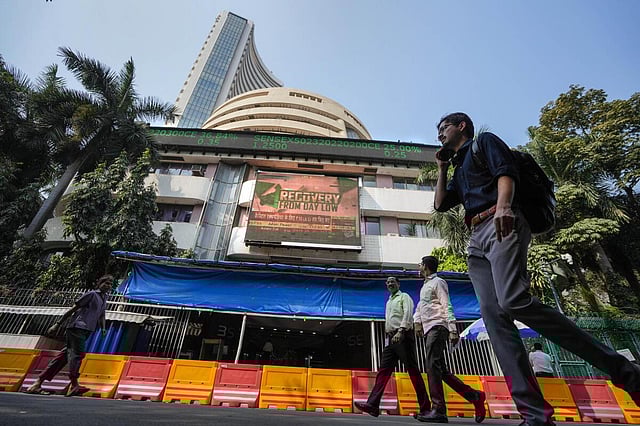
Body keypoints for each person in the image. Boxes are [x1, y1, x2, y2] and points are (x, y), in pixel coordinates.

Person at [433, 112, 640, 426]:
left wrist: (504, 207)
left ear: (462, 126)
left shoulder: (483, 142)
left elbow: (506, 171)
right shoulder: (459, 166)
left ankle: (624, 371)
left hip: (501, 221)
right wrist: (442, 167)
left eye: (443, 127)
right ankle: (534, 415)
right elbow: (440, 204)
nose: (439, 134)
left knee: (513, 300)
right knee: (494, 318)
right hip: (475, 239)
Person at [414, 256, 486, 423]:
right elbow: (421, 306)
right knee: (441, 371)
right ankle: (474, 396)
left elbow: (447, 304)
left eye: (420, 264)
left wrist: (453, 329)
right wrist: (417, 321)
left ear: (425, 266)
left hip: (438, 326)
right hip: (429, 328)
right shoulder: (426, 285)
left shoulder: (438, 282)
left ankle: (438, 409)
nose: (418, 267)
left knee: (432, 366)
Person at [355, 277, 431, 418]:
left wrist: (401, 331)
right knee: (383, 372)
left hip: (403, 336)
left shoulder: (404, 297)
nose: (390, 284)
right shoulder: (389, 301)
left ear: (398, 284)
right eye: (388, 282)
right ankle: (372, 405)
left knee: (413, 371)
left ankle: (426, 408)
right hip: (390, 339)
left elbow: (408, 314)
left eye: (393, 282)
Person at [26, 274, 112, 397]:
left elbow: (102, 315)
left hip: (87, 330)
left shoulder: (104, 298)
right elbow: (74, 309)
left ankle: (37, 383)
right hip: (77, 327)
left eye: (110, 284)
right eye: (106, 283)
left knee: (64, 357)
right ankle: (74, 384)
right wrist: (57, 324)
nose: (108, 286)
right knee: (78, 354)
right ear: (100, 283)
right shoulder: (91, 294)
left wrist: (103, 328)